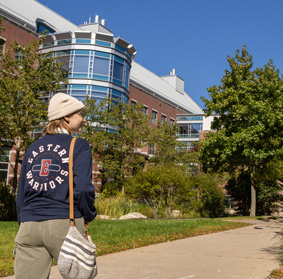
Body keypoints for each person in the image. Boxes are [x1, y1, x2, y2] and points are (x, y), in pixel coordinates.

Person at [14, 93, 97, 279]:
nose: (84, 119)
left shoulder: (32, 148)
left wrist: (24, 222)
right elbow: (83, 188)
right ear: (67, 116)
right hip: (65, 223)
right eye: (80, 114)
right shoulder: (79, 145)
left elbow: (22, 193)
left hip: (29, 226)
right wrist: (89, 213)